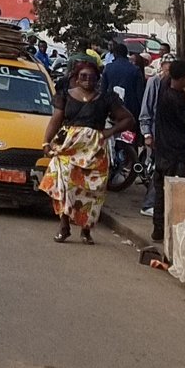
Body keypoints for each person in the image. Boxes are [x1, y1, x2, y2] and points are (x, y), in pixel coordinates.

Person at [40, 59, 135, 244]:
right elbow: (55, 120)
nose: (87, 80)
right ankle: (64, 225)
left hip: (95, 152)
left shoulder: (107, 98)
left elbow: (128, 119)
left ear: (98, 79)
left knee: (92, 191)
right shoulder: (65, 96)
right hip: (68, 149)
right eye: (83, 76)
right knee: (66, 186)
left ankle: (86, 230)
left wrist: (108, 132)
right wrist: (46, 142)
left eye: (92, 77)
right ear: (75, 78)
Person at [150, 60, 185, 244]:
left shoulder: (166, 86)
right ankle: (170, 233)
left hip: (162, 151)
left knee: (161, 192)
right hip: (176, 155)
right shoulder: (177, 101)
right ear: (182, 78)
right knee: (175, 195)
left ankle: (158, 230)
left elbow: (180, 89)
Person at [138, 53, 176, 215]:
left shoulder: (173, 84)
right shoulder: (155, 82)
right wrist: (147, 134)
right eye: (167, 67)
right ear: (162, 67)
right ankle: (149, 204)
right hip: (154, 132)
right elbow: (146, 110)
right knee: (156, 168)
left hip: (168, 135)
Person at [101, 43, 145, 126]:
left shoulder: (108, 67)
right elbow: (140, 94)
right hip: (131, 109)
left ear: (114, 54)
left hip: (113, 108)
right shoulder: (135, 69)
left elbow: (103, 90)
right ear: (126, 54)